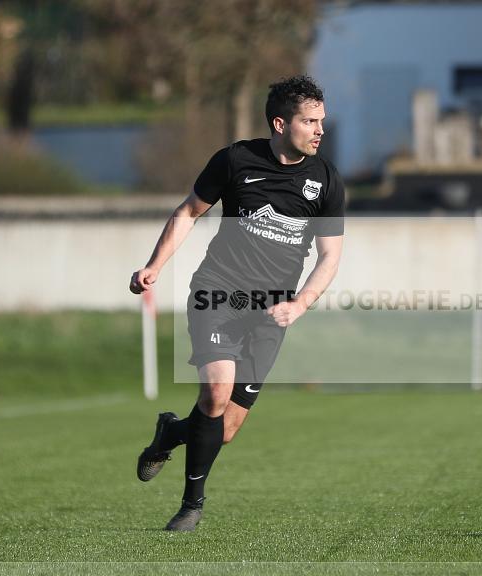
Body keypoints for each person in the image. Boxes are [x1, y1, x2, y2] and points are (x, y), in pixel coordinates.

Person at [129, 75, 344, 532]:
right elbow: (189, 211)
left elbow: (330, 257)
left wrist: (301, 304)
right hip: (218, 292)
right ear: (281, 123)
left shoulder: (325, 180)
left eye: (322, 121)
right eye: (311, 122)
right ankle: (192, 505)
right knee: (215, 392)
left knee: (224, 427)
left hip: (273, 311)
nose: (320, 130)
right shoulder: (236, 159)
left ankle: (171, 433)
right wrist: (155, 266)